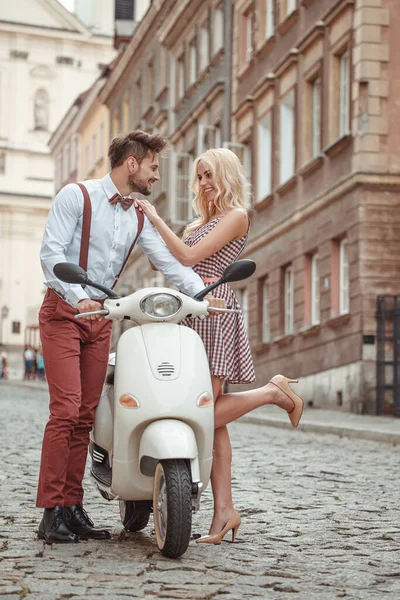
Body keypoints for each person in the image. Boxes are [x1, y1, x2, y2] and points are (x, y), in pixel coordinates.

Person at [37, 130, 223, 545]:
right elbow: (51, 255)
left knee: (86, 415)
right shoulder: (76, 197)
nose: (158, 177)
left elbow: (167, 263)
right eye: (154, 167)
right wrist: (79, 296)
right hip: (65, 312)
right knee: (66, 410)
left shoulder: (137, 214)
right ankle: (51, 513)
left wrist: (205, 296)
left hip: (101, 320)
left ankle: (73, 507)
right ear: (132, 164)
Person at [135, 148, 304, 545]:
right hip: (193, 309)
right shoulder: (203, 220)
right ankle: (224, 511)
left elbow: (189, 255)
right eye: (200, 177)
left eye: (209, 174)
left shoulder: (236, 217)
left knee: (202, 410)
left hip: (213, 309)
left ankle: (271, 392)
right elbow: (175, 262)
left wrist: (155, 216)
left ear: (226, 174)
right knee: (216, 418)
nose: (204, 183)